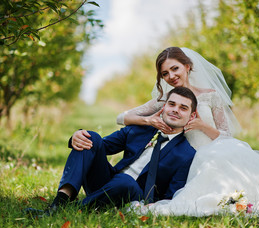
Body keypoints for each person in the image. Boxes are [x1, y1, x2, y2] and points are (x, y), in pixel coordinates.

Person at [78, 47, 259, 216]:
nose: (171, 76)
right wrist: (151, 121)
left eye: (174, 68)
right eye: (165, 73)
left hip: (210, 155)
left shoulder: (210, 95)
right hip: (178, 158)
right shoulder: (166, 100)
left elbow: (227, 135)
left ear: (187, 66)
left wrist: (202, 126)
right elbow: (122, 117)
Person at [27, 87, 198, 217]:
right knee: (90, 137)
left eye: (183, 108)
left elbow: (172, 196)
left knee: (125, 181)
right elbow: (100, 145)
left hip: (136, 197)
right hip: (106, 182)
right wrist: (76, 136)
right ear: (164, 106)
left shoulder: (187, 154)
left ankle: (73, 210)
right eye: (172, 104)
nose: (175, 110)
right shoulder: (139, 129)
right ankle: (60, 202)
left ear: (191, 116)